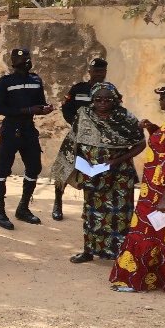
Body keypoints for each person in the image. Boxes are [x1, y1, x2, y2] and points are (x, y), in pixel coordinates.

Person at [50, 83, 144, 263]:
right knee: (91, 213)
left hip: (120, 175)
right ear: (92, 100)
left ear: (115, 100)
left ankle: (120, 254)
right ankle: (88, 251)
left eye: (107, 99)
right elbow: (73, 141)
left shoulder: (125, 118)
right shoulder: (83, 115)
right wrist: (78, 165)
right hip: (92, 173)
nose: (102, 103)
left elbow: (140, 144)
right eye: (98, 99)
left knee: (120, 215)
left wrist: (115, 161)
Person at [110, 82, 165, 295]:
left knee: (144, 233)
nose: (160, 99)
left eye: (164, 95)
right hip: (154, 191)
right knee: (161, 236)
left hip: (160, 193)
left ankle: (133, 279)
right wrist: (153, 129)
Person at [0, 47, 55, 230]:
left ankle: (23, 208)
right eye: (21, 61)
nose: (26, 63)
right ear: (13, 63)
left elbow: (39, 104)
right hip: (11, 130)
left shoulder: (36, 80)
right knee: (3, 170)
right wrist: (26, 110)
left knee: (34, 167)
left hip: (28, 130)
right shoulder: (5, 82)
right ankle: (0, 212)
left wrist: (45, 109)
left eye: (27, 59)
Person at [52, 57, 109, 220]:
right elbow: (67, 109)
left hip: (98, 140)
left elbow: (115, 112)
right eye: (96, 71)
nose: (99, 74)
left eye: (102, 71)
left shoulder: (109, 91)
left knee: (93, 172)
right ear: (89, 72)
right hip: (76, 137)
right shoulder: (78, 89)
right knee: (63, 167)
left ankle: (89, 208)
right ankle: (57, 203)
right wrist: (76, 124)